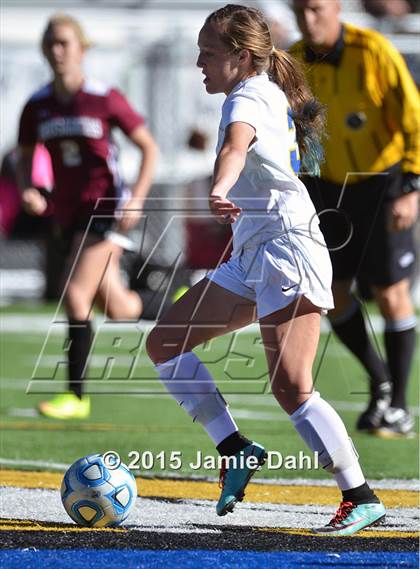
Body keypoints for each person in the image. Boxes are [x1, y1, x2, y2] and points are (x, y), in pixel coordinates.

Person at [146, 4, 385, 536]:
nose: (198, 62)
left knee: (292, 387)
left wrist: (218, 187)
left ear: (241, 55)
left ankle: (361, 496)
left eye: (208, 52)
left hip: (287, 251)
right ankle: (235, 449)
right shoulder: (253, 91)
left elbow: (236, 147)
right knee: (165, 344)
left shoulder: (251, 94)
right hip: (255, 254)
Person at [17, 14, 158, 420]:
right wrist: (31, 187)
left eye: (64, 43)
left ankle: (76, 396)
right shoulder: (38, 104)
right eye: (51, 44)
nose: (57, 51)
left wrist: (138, 198)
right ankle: (179, 296)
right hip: (69, 213)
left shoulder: (104, 97)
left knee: (75, 295)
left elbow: (149, 147)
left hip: (105, 208)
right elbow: (26, 155)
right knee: (119, 307)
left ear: (82, 48)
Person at [290, 0, 419, 437]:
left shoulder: (374, 50)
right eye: (299, 11)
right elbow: (293, 130)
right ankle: (379, 378)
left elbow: (413, 117)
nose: (308, 20)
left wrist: (413, 185)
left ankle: (399, 405)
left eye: (315, 9)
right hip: (328, 189)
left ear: (336, 7)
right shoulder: (293, 60)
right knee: (332, 293)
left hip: (383, 183)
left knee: (390, 292)